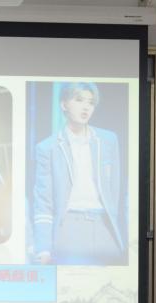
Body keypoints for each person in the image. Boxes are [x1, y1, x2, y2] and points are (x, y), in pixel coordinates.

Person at [33, 82, 126, 265]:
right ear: (64, 104)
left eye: (90, 102)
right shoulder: (48, 147)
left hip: (104, 225)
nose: (86, 107)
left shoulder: (108, 140)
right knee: (74, 281)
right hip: (69, 226)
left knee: (112, 281)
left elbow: (116, 190)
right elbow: (43, 202)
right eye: (79, 100)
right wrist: (43, 248)